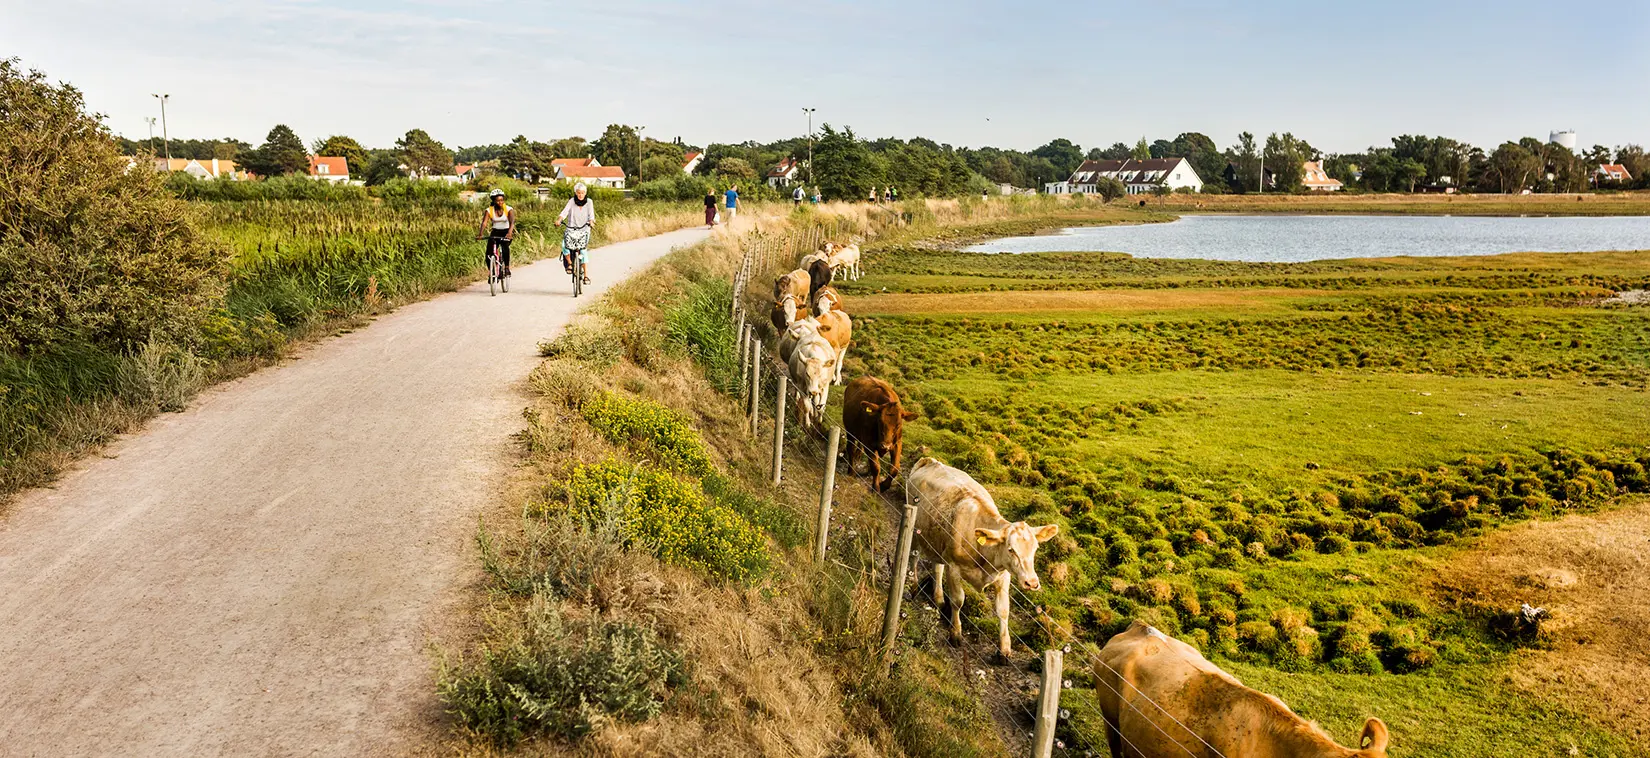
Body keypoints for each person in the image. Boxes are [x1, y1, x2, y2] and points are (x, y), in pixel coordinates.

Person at [557, 182, 595, 285]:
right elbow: (564, 212)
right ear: (575, 193)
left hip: (584, 230)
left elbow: (591, 216)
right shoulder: (571, 201)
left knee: (583, 251)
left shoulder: (589, 202)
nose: (580, 195)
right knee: (564, 245)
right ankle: (569, 264)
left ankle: (586, 276)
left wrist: (591, 222)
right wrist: (559, 220)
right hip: (571, 229)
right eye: (578, 193)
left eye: (582, 193)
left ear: (585, 193)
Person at [478, 188, 515, 277]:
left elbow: (512, 222)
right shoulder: (489, 210)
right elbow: (484, 223)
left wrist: (510, 233)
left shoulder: (509, 209)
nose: (500, 202)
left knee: (505, 247)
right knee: (488, 253)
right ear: (494, 201)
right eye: (498, 201)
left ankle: (506, 268)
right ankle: (492, 272)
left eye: (502, 200)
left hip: (506, 231)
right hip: (495, 232)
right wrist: (480, 234)